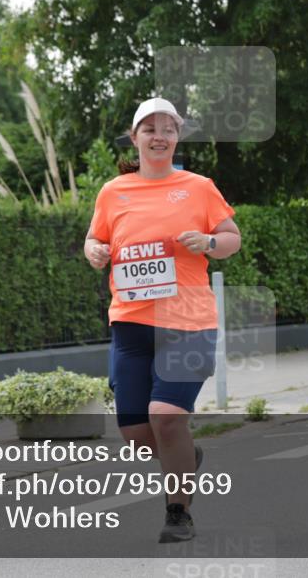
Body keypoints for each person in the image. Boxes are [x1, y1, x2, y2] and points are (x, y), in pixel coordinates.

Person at [84, 97, 241, 542]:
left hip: (188, 322)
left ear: (177, 137)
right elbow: (95, 241)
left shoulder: (198, 186)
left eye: (168, 128)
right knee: (136, 432)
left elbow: (232, 239)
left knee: (166, 418)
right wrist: (93, 251)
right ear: (134, 139)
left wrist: (209, 241)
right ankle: (187, 458)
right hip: (131, 323)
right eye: (149, 128)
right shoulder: (113, 191)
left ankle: (178, 513)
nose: (159, 136)